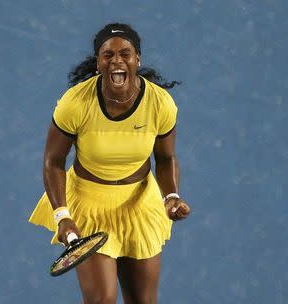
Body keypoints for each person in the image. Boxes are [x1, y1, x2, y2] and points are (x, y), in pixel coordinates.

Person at [29, 22, 191, 304]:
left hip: (140, 204)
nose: (117, 60)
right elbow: (53, 161)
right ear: (98, 63)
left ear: (137, 59)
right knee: (102, 299)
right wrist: (62, 216)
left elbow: (165, 158)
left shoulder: (161, 103)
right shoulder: (75, 103)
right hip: (89, 205)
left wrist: (172, 196)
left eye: (125, 53)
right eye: (108, 55)